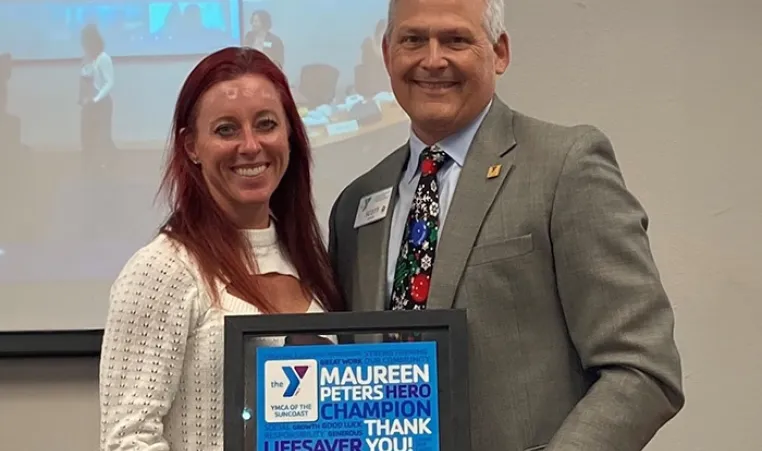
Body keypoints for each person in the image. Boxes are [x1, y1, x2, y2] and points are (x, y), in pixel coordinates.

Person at [327, 1, 685, 450]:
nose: (432, 59)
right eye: (413, 40)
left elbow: (642, 366)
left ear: (499, 52)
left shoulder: (564, 166)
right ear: (387, 54)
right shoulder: (355, 204)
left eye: (455, 40)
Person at [99, 47, 343, 450]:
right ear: (191, 145)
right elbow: (127, 440)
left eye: (266, 124)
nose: (250, 146)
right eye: (226, 129)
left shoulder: (312, 262)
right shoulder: (161, 271)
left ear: (290, 135)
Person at [79, 23, 115, 161]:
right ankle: (90, 164)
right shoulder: (87, 59)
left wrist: (96, 99)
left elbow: (109, 82)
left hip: (102, 103)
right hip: (88, 104)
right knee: (87, 135)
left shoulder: (103, 58)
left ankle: (109, 162)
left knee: (102, 136)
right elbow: (84, 80)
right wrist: (83, 98)